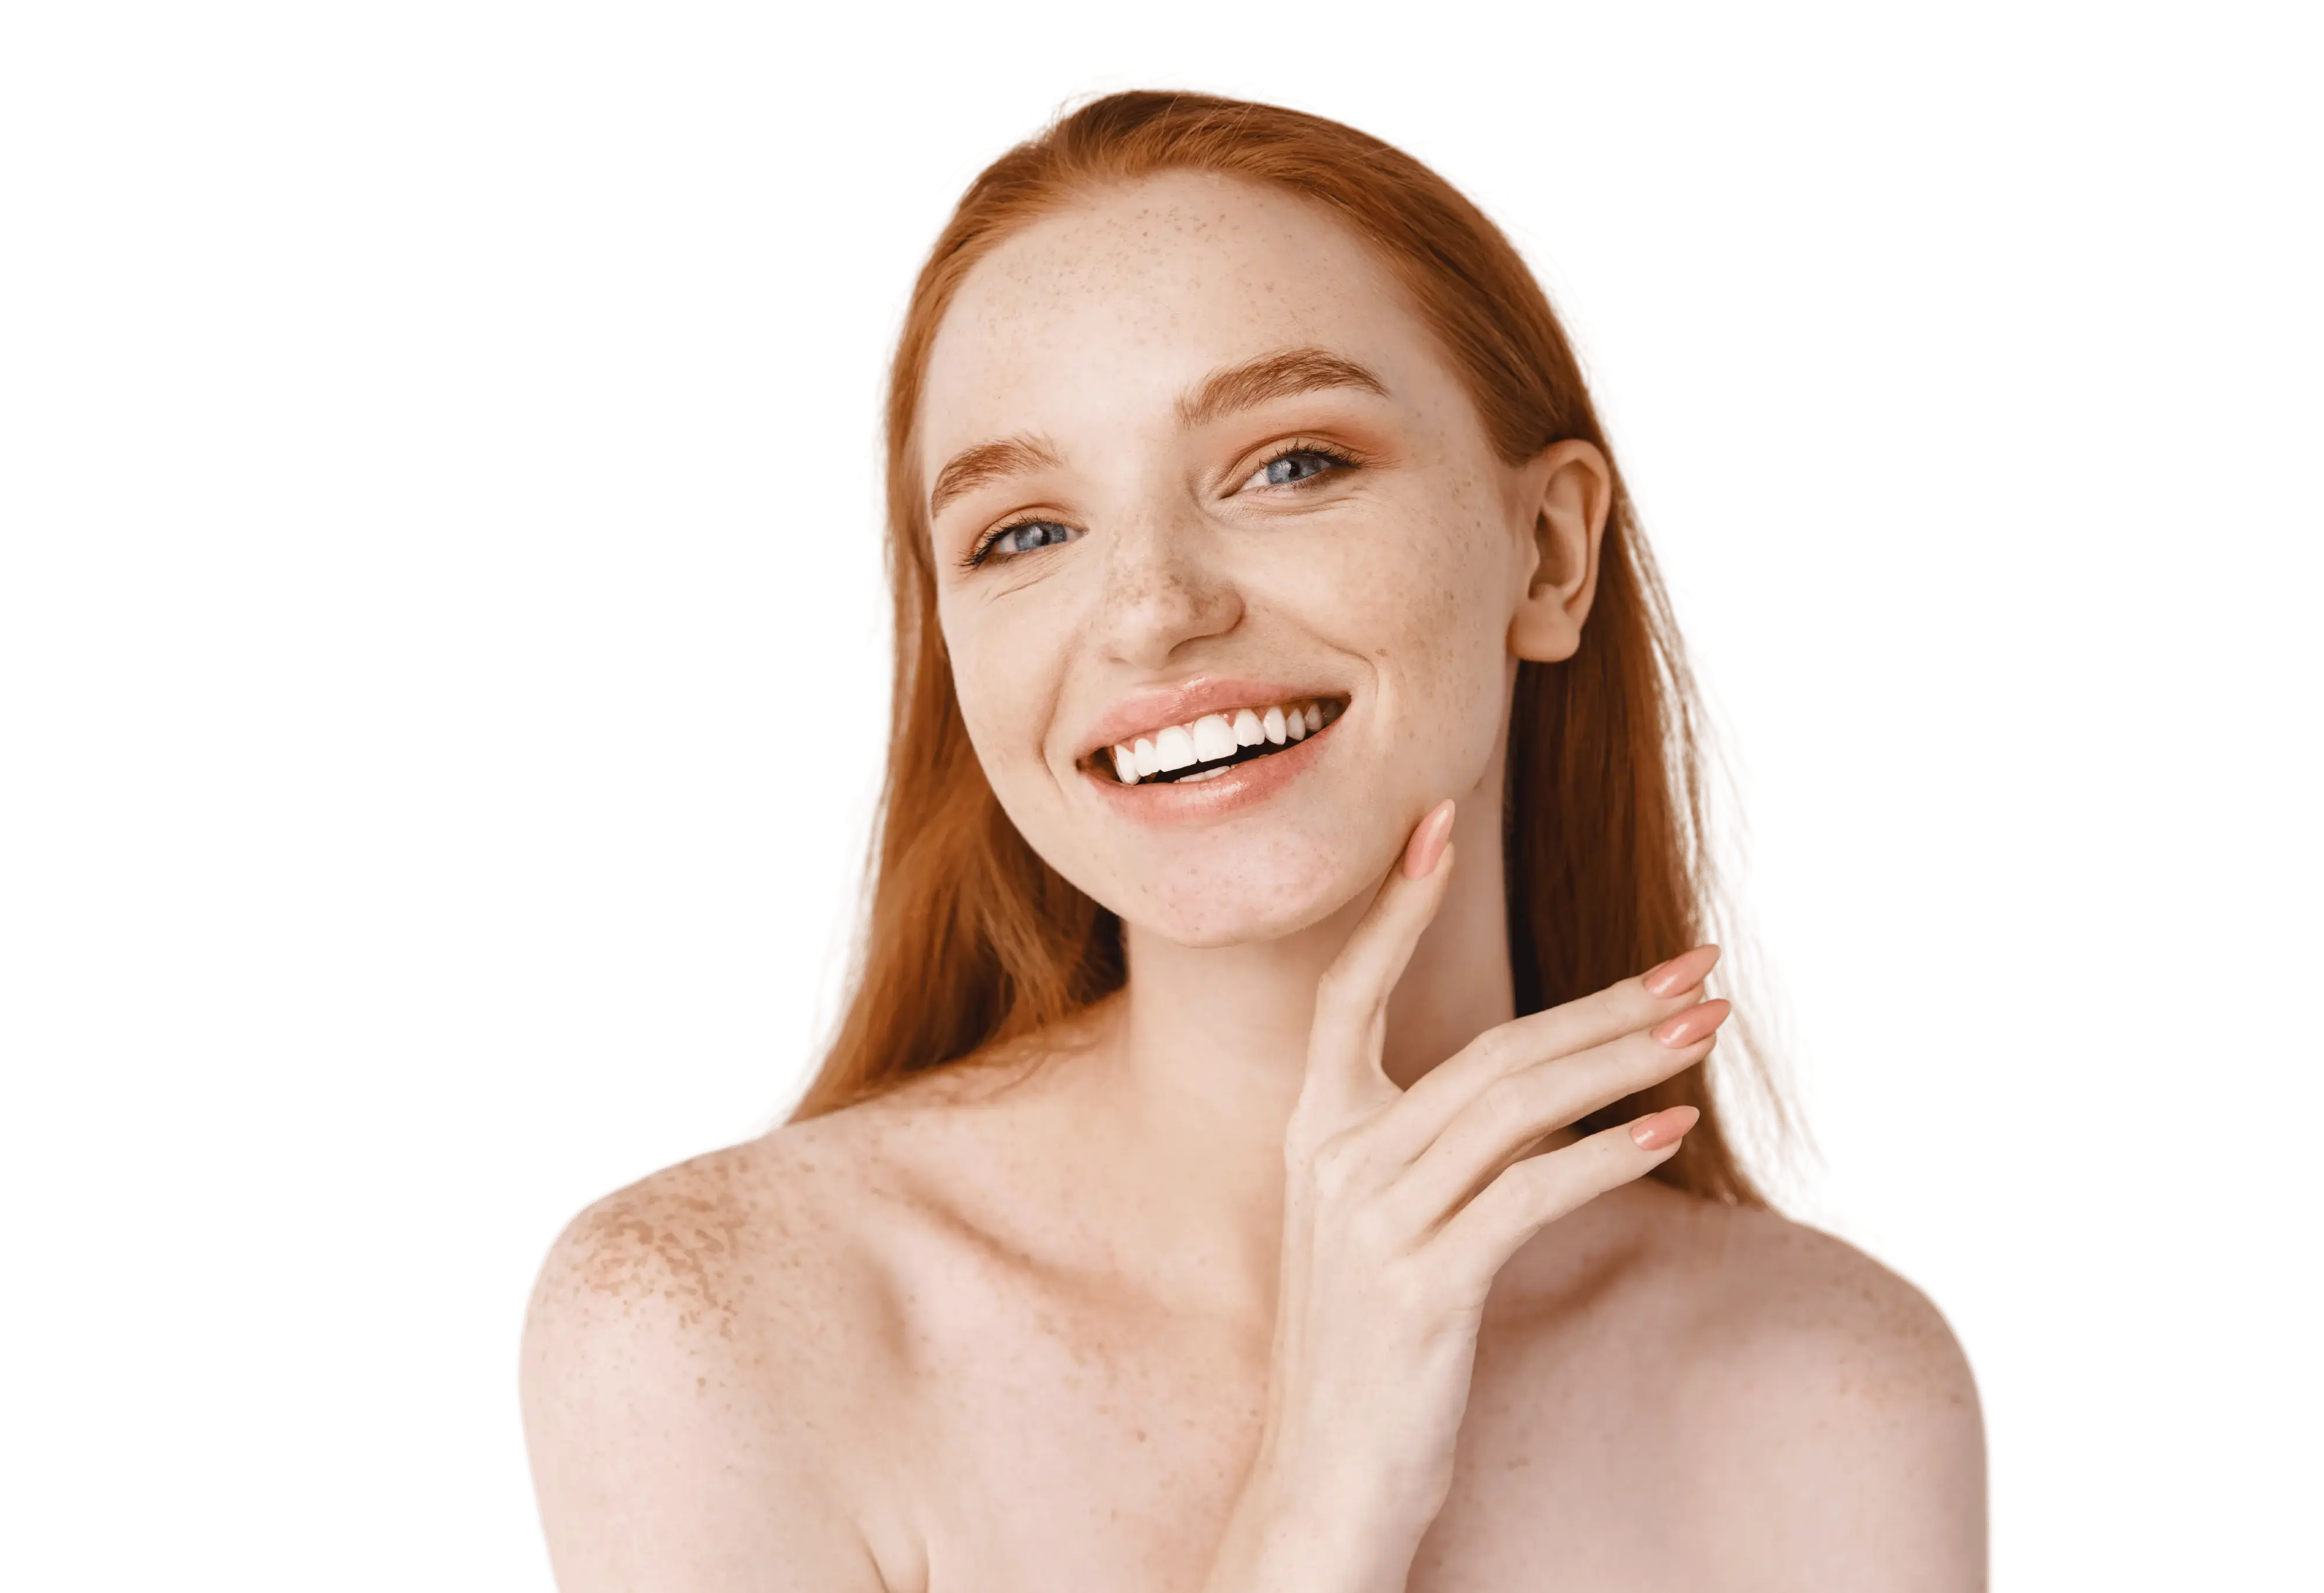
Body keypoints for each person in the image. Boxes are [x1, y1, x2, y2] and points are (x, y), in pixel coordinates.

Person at [516, 74, 1994, 1591]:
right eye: (1025, 531)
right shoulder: (709, 1321)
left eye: (1291, 464)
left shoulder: (1836, 1391)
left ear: (1549, 553)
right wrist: (1320, 1501)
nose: (1153, 608)